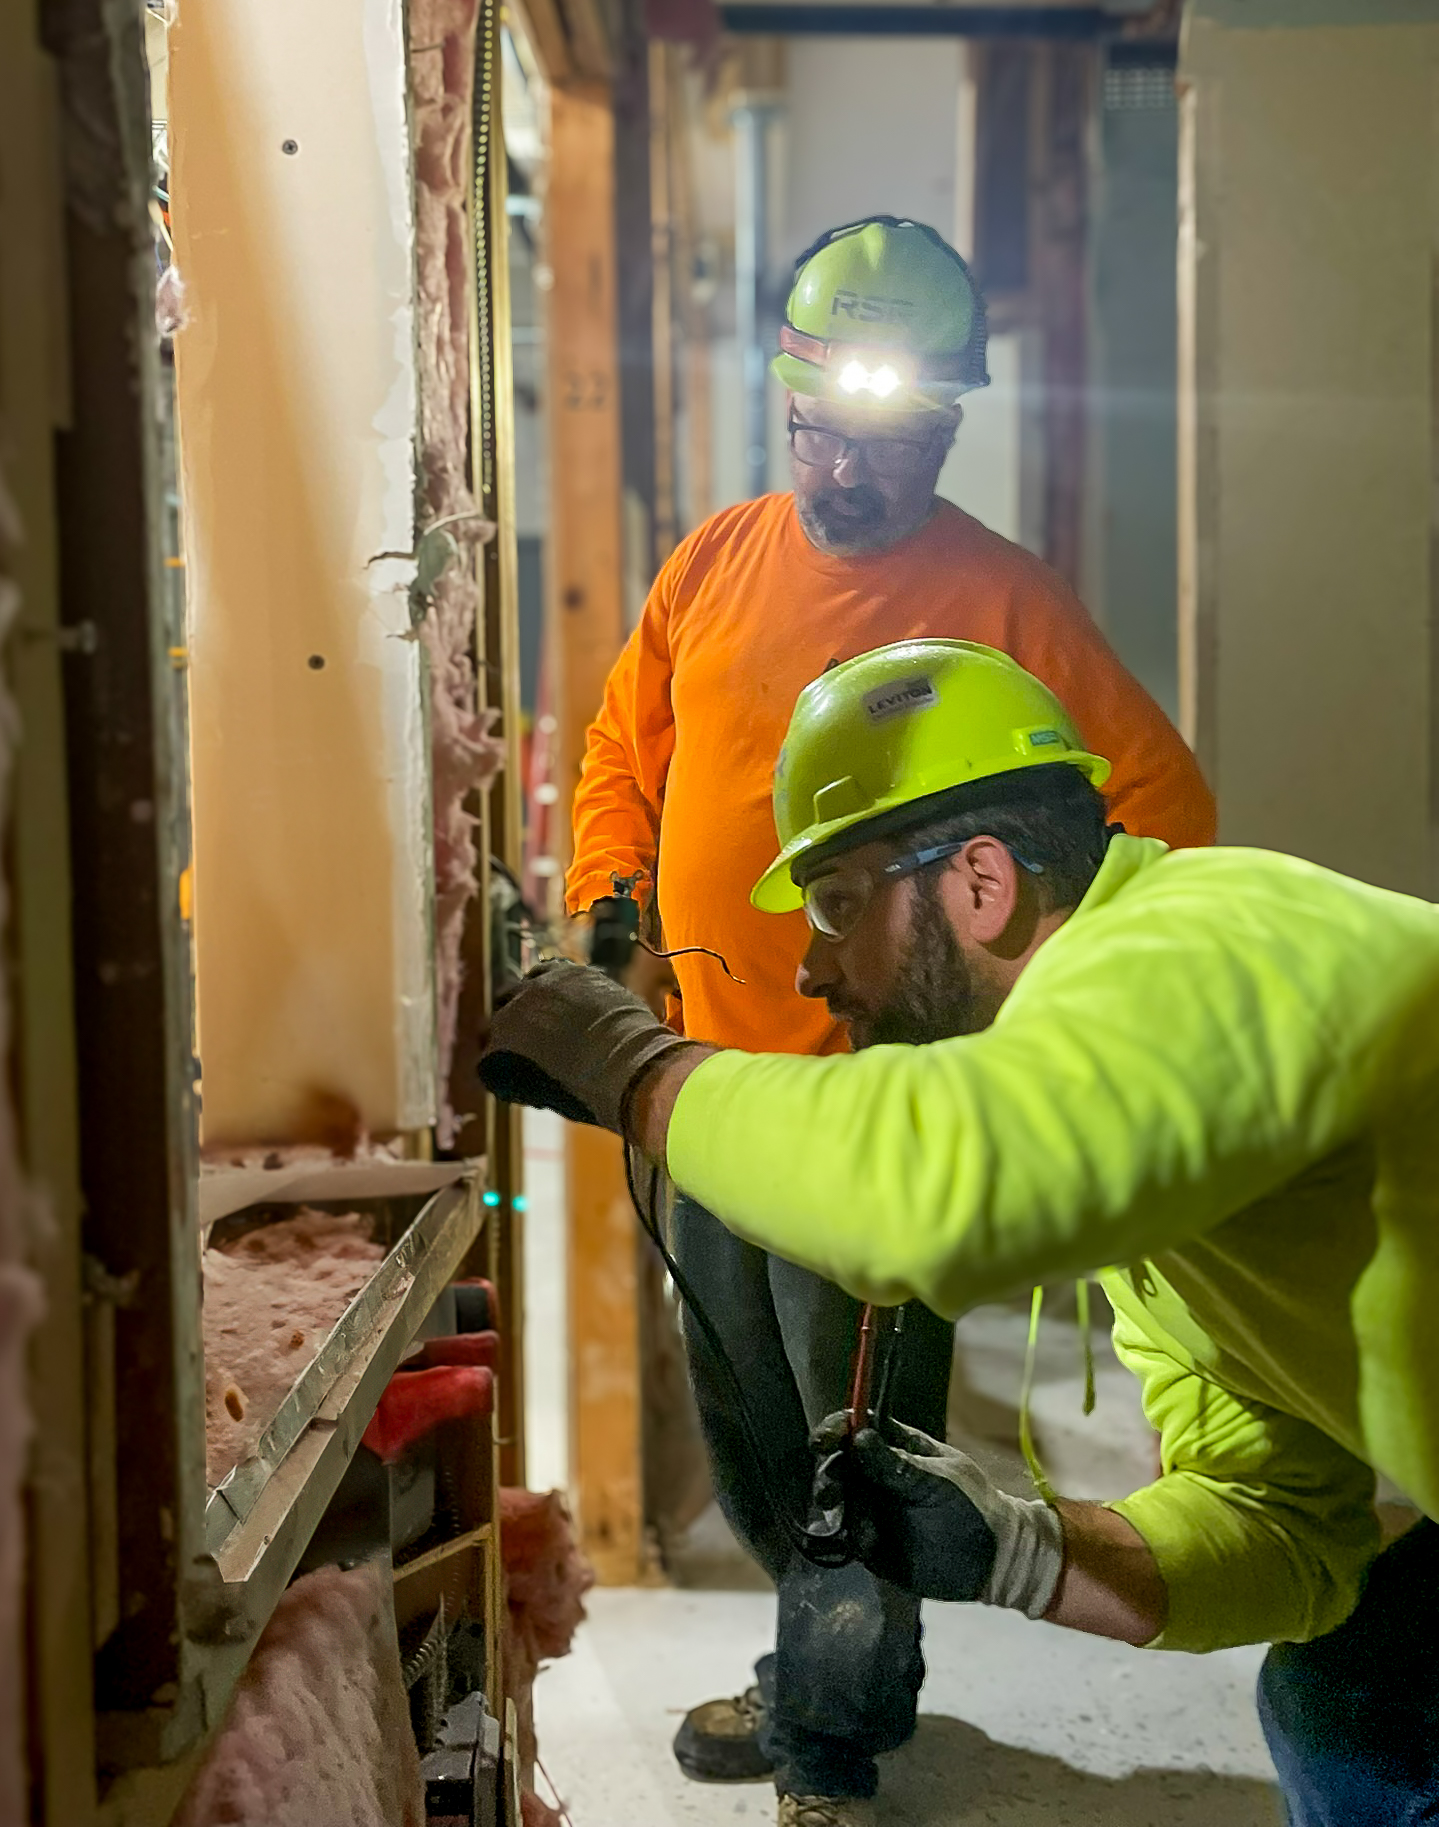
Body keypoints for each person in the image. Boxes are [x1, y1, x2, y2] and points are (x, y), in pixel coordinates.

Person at [486, 639, 1439, 1827]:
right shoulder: (1156, 1137)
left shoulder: (1204, 938)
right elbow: (1283, 1532)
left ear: (979, 882)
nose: (811, 967)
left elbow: (928, 1192)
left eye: (837, 906)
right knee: (1353, 1691)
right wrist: (1017, 1550)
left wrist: (625, 1064)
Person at [565, 215, 1214, 1824]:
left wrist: (1027, 1004)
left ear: (939, 424)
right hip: (706, 1095)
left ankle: (832, 1747)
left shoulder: (995, 597)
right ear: (782, 404)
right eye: (814, 430)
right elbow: (621, 751)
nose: (839, 468)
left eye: (878, 439)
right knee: (750, 1429)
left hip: (877, 1124)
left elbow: (1160, 810)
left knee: (861, 1452)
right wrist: (612, 906)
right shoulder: (712, 561)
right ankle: (815, 1675)